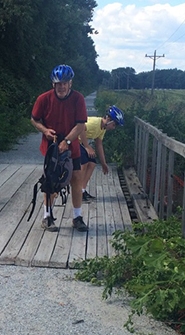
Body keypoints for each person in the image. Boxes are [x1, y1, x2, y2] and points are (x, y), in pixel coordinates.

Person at [30, 64, 88, 232]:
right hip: (51, 145)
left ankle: (77, 217)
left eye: (65, 83)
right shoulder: (44, 99)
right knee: (50, 182)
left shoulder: (78, 99)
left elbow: (80, 125)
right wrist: (45, 130)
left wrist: (67, 141)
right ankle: (47, 217)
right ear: (53, 84)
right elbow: (34, 119)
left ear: (70, 83)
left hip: (72, 145)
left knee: (77, 179)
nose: (61, 86)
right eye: (58, 83)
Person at [78, 105, 125, 202]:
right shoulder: (95, 123)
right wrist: (87, 147)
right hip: (74, 140)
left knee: (92, 162)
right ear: (108, 119)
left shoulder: (102, 129)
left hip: (81, 142)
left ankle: (82, 190)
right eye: (114, 124)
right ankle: (77, 191)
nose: (114, 127)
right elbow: (81, 128)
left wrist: (103, 163)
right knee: (84, 162)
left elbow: (99, 145)